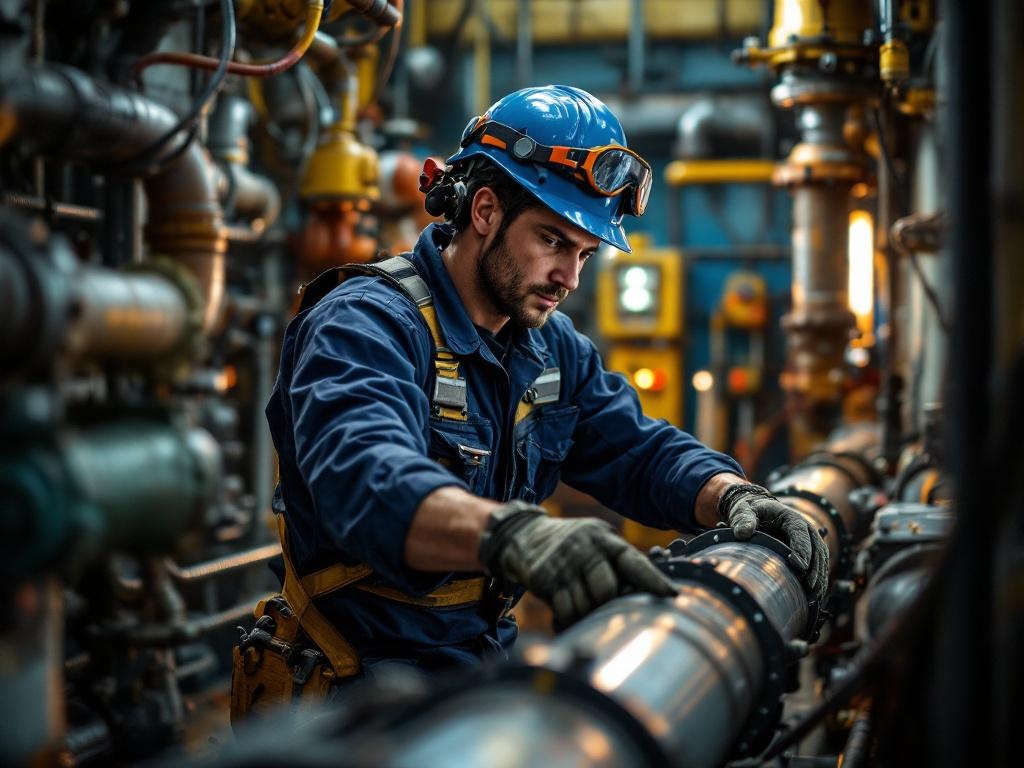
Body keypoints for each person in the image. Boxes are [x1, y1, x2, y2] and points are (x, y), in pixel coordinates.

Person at [263, 85, 828, 684]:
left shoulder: (548, 347)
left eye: (585, 254)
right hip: (356, 688)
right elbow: (367, 480)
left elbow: (635, 449)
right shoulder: (366, 324)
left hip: (478, 673)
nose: (568, 278)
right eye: (553, 241)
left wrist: (731, 494)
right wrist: (511, 534)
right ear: (484, 211)